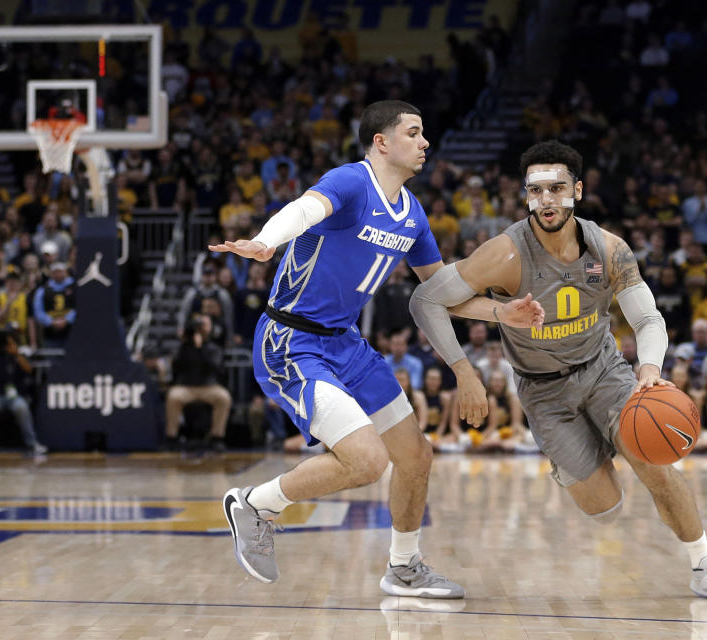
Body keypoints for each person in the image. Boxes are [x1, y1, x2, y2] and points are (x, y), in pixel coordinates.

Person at [208, 101, 541, 596]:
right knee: (366, 462)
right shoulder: (350, 181)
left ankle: (403, 567)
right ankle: (256, 503)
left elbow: (441, 292)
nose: (425, 142)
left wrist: (501, 312)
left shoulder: (413, 215)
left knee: (416, 456)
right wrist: (265, 240)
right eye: (414, 132)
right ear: (382, 142)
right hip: (292, 341)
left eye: (424, 133)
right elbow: (303, 209)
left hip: (347, 345)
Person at [410, 140, 707, 601]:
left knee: (656, 465)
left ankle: (705, 562)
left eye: (557, 188)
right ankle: (573, 456)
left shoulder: (610, 249)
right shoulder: (504, 254)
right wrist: (472, 360)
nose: (546, 200)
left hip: (605, 370)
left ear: (578, 190)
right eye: (536, 190)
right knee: (605, 508)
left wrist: (649, 369)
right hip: (544, 391)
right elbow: (426, 299)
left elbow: (648, 319)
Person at [0, 331, 47, 456]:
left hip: (16, 396)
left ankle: (32, 444)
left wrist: (16, 353)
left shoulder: (18, 356)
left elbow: (29, 369)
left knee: (21, 408)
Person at [164, 314, 231, 452]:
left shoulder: (214, 348)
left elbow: (215, 368)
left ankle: (217, 437)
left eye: (204, 325)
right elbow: (177, 367)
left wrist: (200, 348)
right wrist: (185, 343)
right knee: (173, 397)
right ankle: (172, 437)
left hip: (208, 387)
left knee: (223, 398)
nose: (201, 328)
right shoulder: (184, 347)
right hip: (186, 387)